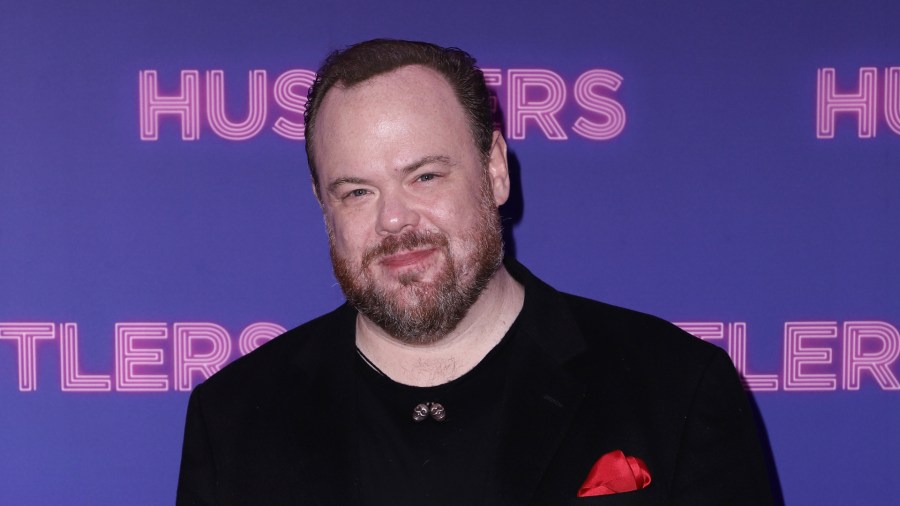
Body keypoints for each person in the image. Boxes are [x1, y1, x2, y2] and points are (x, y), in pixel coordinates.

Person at [177, 39, 774, 505]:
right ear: (322, 205)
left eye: (425, 176)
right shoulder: (234, 419)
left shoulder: (673, 386)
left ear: (494, 171)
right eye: (357, 191)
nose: (393, 219)